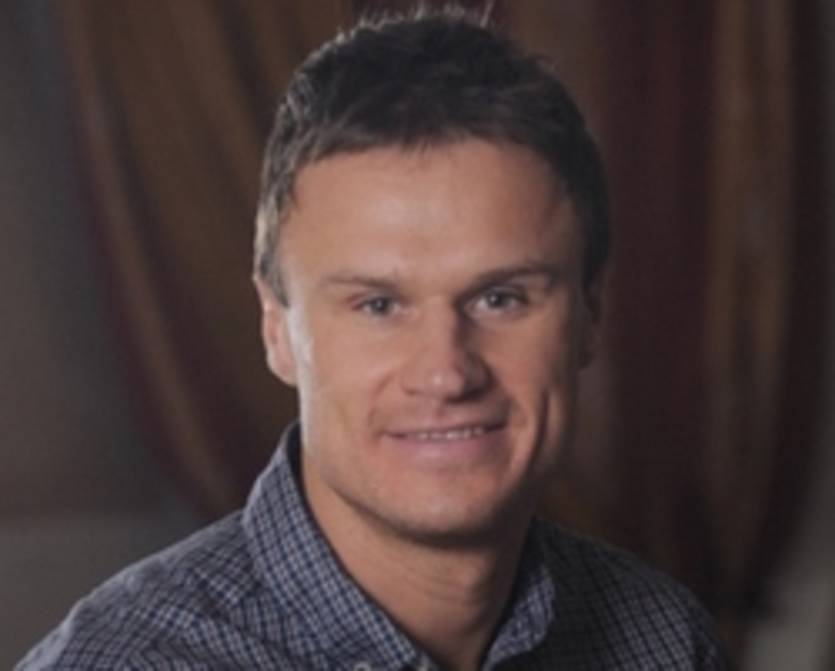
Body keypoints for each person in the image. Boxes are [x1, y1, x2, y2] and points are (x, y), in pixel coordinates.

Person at [19, 6, 728, 670]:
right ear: (276, 329)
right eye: (378, 305)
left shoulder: (662, 641)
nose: (446, 373)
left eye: (500, 298)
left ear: (588, 315)